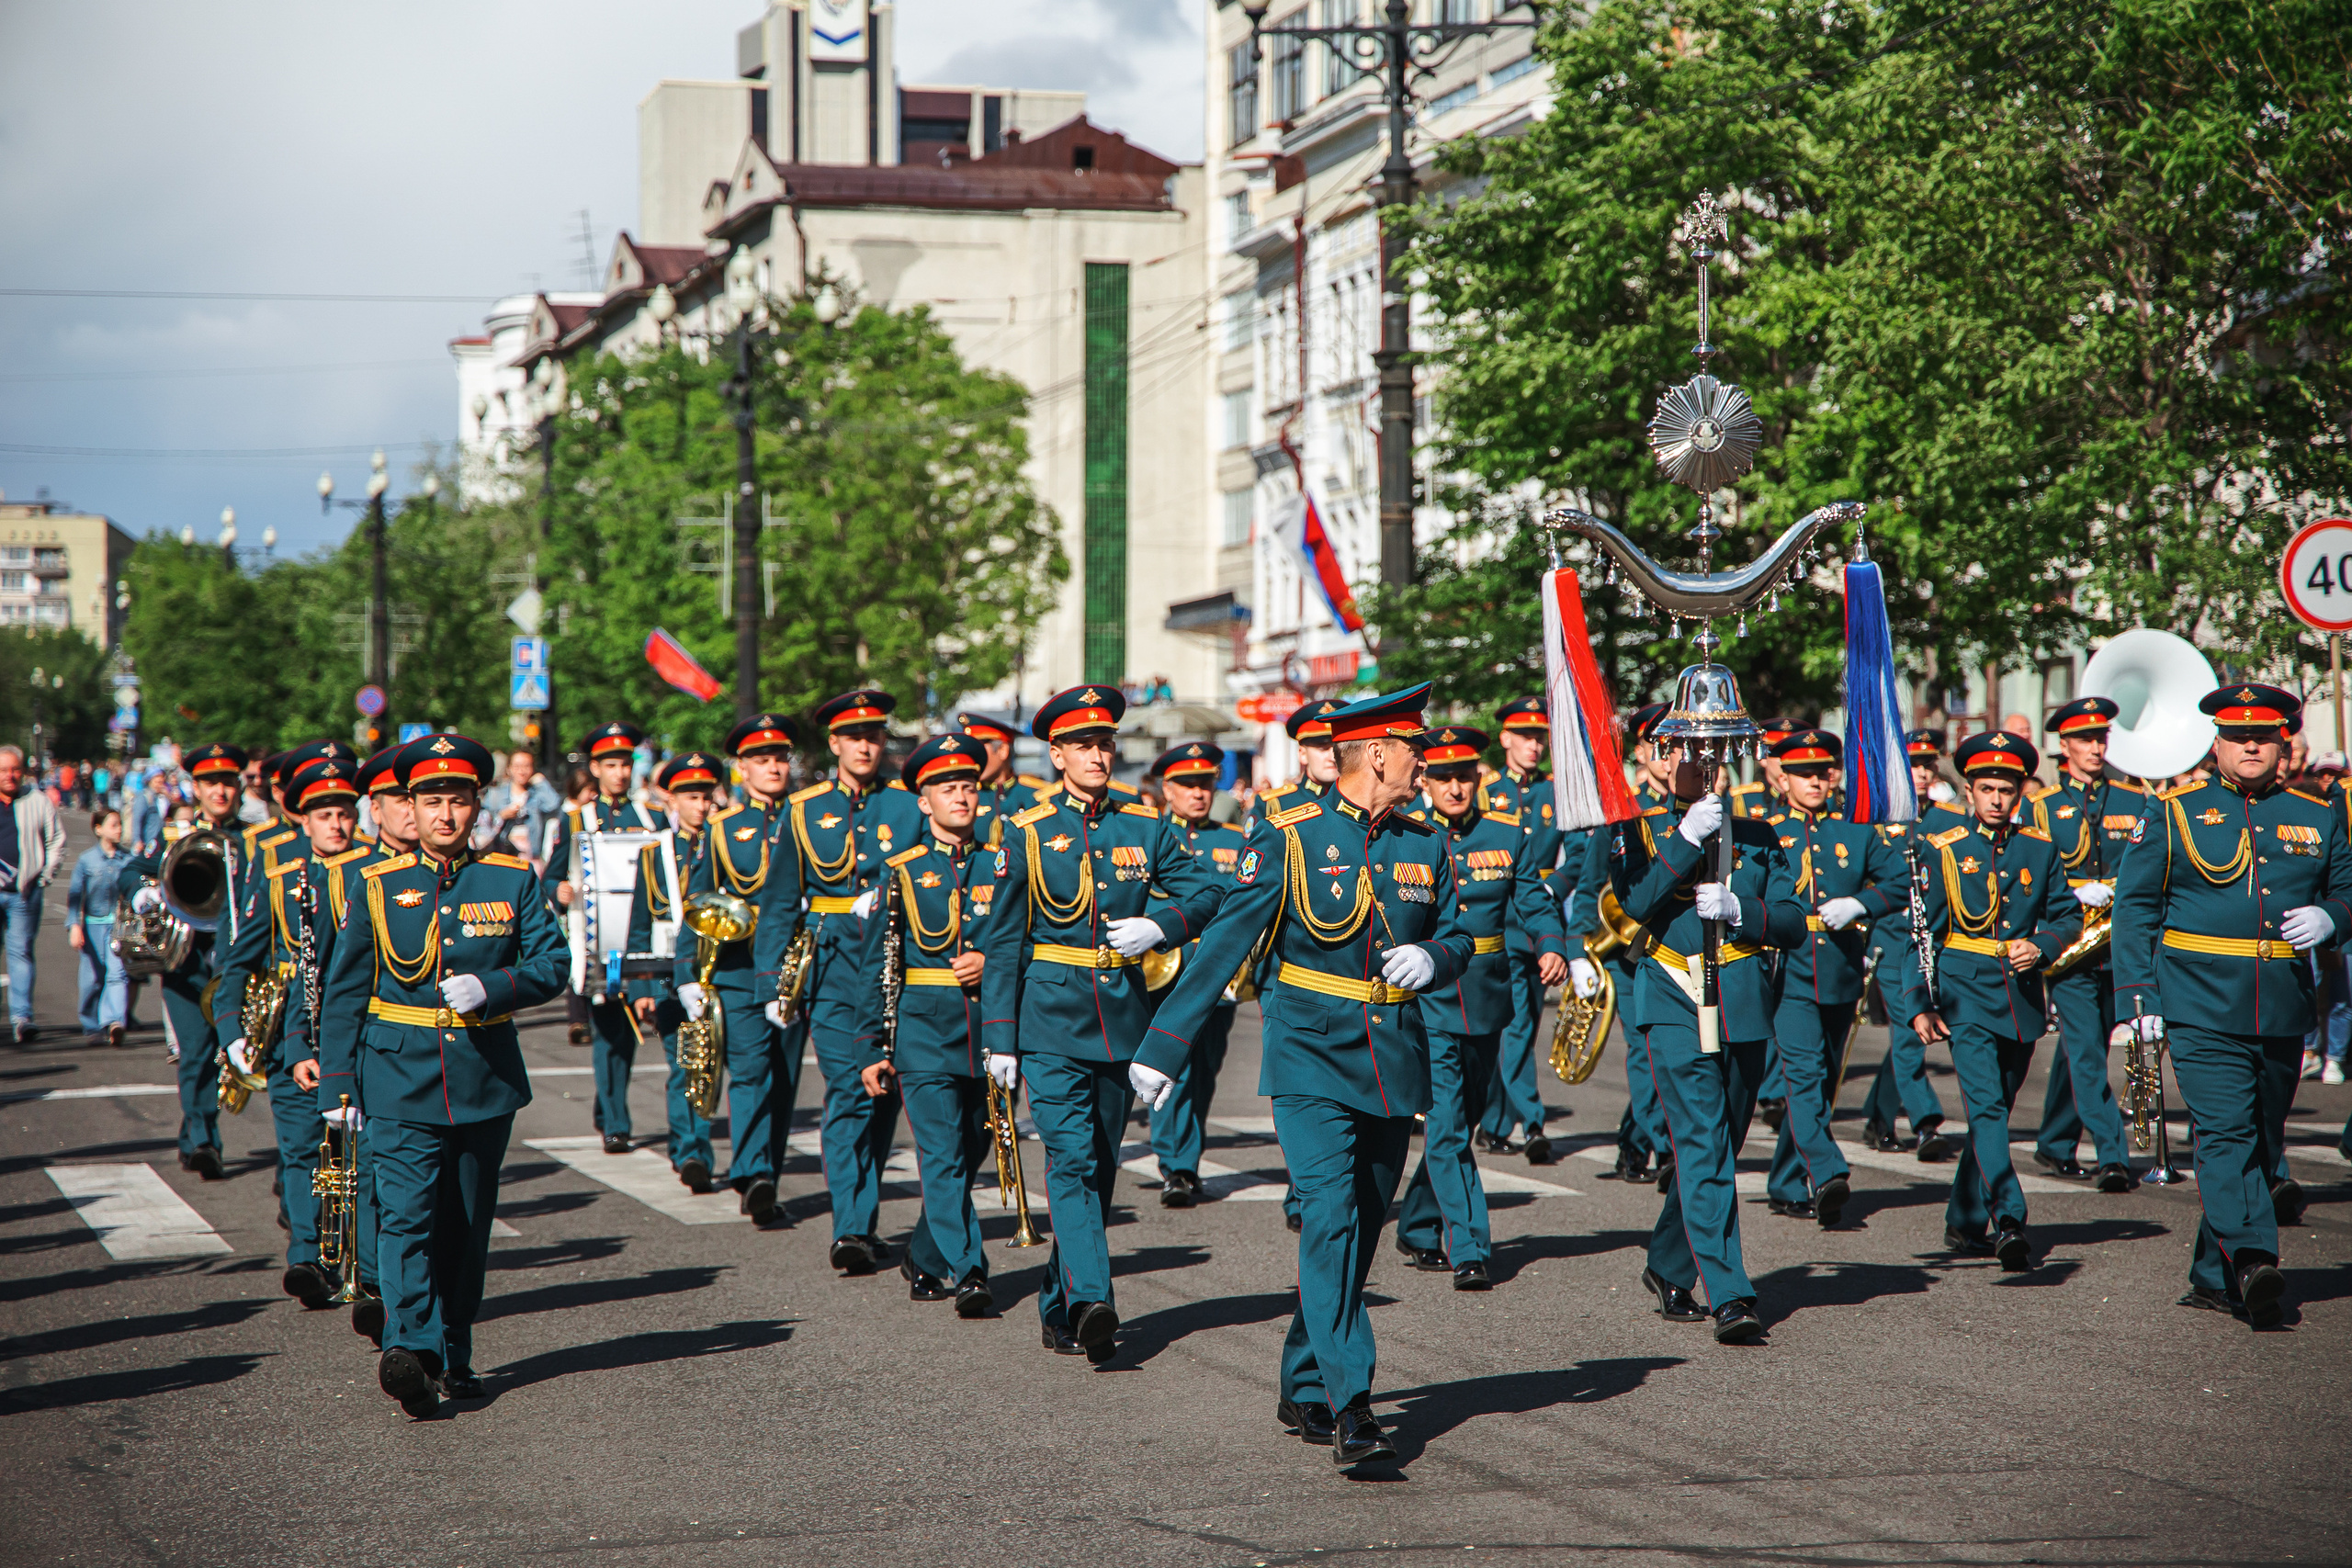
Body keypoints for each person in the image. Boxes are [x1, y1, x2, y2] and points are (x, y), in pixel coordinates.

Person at [1141, 684, 1473, 1467]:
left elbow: (1459, 931)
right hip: (1309, 1056)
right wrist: (1163, 1046)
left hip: (1391, 1059)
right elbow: (1227, 941)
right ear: (1378, 754)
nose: (1425, 765)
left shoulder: (1425, 843)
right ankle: (1352, 1402)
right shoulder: (1290, 834)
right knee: (1329, 1214)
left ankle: (1303, 1379)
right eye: (1416, 751)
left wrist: (1435, 956)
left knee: (1359, 1227)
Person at [316, 734, 567, 1416]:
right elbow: (345, 991)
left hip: (482, 1079)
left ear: (477, 805)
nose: (445, 814)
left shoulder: (511, 880)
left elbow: (553, 963)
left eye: (457, 800)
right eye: (432, 802)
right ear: (411, 808)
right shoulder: (376, 886)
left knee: (464, 1226)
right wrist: (338, 1080)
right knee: (405, 1219)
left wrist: (495, 986)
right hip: (398, 1076)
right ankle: (412, 1349)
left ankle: (454, 1350)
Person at [978, 685, 1223, 1364]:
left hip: (1119, 1016)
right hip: (1048, 1019)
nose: (1097, 754)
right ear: (1056, 755)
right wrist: (999, 1036)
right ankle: (1092, 1301)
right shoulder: (1027, 830)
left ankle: (1059, 1304)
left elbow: (1211, 889)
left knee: (1103, 1165)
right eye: (1082, 744)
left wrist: (1162, 925)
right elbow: (1003, 940)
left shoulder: (1145, 825)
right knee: (1072, 1159)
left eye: (1106, 743)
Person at [2111, 682, 2352, 1328]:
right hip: (2198, 1001)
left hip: (2281, 1004)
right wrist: (2139, 999)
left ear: (2282, 745)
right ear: (2216, 744)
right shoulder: (2174, 811)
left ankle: (2211, 1275)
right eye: (2238, 736)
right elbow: (2135, 908)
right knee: (2225, 1132)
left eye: (2264, 736)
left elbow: (2348, 890)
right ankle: (2251, 1259)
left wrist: (2333, 918)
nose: (2251, 746)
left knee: (2261, 1139)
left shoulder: (2319, 814)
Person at [1611, 728, 1807, 1343]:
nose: (1696, 761)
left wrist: (1741, 911)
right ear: (1658, 757)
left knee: (1721, 1143)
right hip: (1673, 995)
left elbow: (1794, 924)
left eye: (1708, 750)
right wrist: (1686, 838)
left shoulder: (1758, 834)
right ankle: (1730, 1293)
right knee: (1701, 1143)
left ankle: (1668, 1265)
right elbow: (1634, 900)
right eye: (1681, 750)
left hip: (1742, 1001)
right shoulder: (1636, 829)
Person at [1392, 727, 1566, 1289]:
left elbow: (1534, 900)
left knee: (1461, 1123)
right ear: (1425, 782)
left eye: (1464, 777)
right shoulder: (1406, 837)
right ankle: (1469, 1247)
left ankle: (1417, 1225)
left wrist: (1551, 945)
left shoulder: (1507, 834)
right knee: (1446, 1127)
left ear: (1478, 778)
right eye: (1443, 777)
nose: (1454, 788)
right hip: (1430, 1000)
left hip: (1488, 996)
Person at [1900, 732, 2079, 1273]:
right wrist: (1919, 1002)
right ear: (1969, 792)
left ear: (2020, 792)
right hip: (1964, 991)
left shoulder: (2040, 848)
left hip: (2020, 995)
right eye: (1987, 789)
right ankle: (2009, 1218)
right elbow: (1923, 935)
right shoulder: (1945, 848)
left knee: (1995, 1107)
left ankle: (1963, 1218)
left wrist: (2042, 945)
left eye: (2007, 790)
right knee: (1987, 1108)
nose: (1997, 799)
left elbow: (2067, 915)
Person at [852, 735, 1000, 1314]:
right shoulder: (902, 872)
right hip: (924, 1033)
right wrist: (872, 1046)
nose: (960, 797)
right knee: (942, 1154)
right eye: (946, 788)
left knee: (975, 1146)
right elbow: (879, 965)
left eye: (968, 787)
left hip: (990, 1030)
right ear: (924, 802)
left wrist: (990, 962)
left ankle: (923, 1253)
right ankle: (970, 1270)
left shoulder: (1003, 865)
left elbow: (1024, 941)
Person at [216, 756, 368, 1311]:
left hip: (357, 1037)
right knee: (302, 1149)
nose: (336, 825)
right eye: (324, 815)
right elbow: (241, 958)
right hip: (291, 1034)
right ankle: (308, 1258)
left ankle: (355, 1258)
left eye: (344, 813)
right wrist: (232, 1029)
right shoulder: (283, 879)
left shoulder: (377, 872)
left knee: (350, 1156)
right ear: (303, 820)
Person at [788, 689, 928, 1274]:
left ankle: (862, 1219)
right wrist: (776, 984)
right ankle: (850, 1226)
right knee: (847, 1091)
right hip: (835, 966)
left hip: (897, 964)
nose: (865, 746)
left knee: (883, 1095)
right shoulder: (804, 810)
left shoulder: (909, 807)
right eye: (854, 737)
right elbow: (781, 902)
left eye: (874, 736)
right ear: (835, 744)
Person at [1757, 730, 1909, 1226]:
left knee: (1821, 1082)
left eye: (1822, 773)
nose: (1815, 782)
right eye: (1803, 774)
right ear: (1784, 780)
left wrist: (1860, 903)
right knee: (1803, 1076)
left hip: (1841, 969)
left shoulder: (1856, 830)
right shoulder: (1766, 831)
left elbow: (1901, 882)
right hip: (1788, 968)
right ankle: (1826, 1172)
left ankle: (1785, 1182)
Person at [673, 713, 808, 1221]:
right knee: (751, 1072)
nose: (773, 767)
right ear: (741, 768)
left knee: (785, 1078)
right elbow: (699, 901)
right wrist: (685, 972)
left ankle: (766, 1172)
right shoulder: (723, 828)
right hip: (738, 968)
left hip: (796, 967)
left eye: (780, 758)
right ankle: (754, 1174)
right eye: (761, 759)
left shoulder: (809, 816)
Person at [2027, 696, 2148, 1191]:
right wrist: (2073, 890)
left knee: (2083, 1047)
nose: (2096, 748)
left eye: (2101, 738)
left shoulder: (2134, 800)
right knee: (2086, 1052)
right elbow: (2029, 877)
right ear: (2065, 745)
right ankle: (2112, 1154)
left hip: (2116, 947)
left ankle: (2055, 1142)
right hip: (2070, 949)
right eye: (2085, 740)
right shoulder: (2041, 807)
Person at [119, 741, 247, 1177]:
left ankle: (192, 1131)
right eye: (211, 783)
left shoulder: (256, 839)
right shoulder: (176, 834)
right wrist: (143, 892)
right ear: (197, 788)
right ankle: (204, 1140)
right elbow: (132, 870)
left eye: (228, 782)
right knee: (196, 1051)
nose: (220, 791)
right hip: (187, 962)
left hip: (240, 960)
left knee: (234, 1054)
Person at [541, 723, 662, 1151]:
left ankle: (608, 1104)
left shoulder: (652, 817)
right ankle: (616, 1122)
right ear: (595, 769)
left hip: (644, 943)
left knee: (629, 1036)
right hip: (599, 944)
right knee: (610, 1032)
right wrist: (558, 890)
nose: (620, 773)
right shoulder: (577, 819)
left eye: (625, 764)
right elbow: (552, 876)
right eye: (611, 765)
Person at [1142, 741, 1249, 1208]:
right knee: (1172, 1065)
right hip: (1164, 971)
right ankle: (1177, 1165)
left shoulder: (1235, 839)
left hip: (1218, 973)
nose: (1199, 793)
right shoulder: (1150, 835)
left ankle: (1184, 1157)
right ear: (1167, 790)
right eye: (1187, 785)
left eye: (1205, 784)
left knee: (1204, 1071)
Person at [1573, 702, 1675, 1185]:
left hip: (1682, 951)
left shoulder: (1701, 809)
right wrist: (1577, 951)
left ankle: (1634, 1141)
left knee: (1670, 1054)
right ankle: (1667, 1147)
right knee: (1646, 1052)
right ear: (1641, 752)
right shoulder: (1621, 812)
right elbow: (1589, 886)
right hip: (1629, 956)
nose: (1669, 755)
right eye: (1660, 745)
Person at [1860, 730, 1962, 1157]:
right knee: (1908, 1033)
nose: (1921, 773)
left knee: (1911, 1036)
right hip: (1893, 941)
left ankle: (1879, 1115)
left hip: (1937, 942)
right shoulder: (1874, 822)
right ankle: (1926, 1123)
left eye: (1927, 765)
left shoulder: (1951, 821)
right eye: (1912, 765)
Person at [1475, 696, 1568, 1164]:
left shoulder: (1554, 792)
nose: (1535, 746)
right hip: (1500, 926)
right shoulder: (1485, 792)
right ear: (1505, 739)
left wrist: (1553, 888)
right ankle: (1532, 1122)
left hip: (1540, 922)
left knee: (1521, 1027)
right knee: (1514, 1028)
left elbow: (1579, 857)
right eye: (1526, 737)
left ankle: (1493, 1123)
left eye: (1540, 738)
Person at [628, 751, 725, 1192]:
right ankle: (690, 1151)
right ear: (672, 799)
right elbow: (639, 925)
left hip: (715, 970)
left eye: (706, 796)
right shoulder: (656, 853)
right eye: (691, 796)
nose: (701, 806)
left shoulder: (724, 844)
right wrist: (641, 987)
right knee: (682, 1061)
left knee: (710, 1061)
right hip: (667, 973)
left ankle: (694, 1146)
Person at [0, 743, 66, 1043]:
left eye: (15, 769)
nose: (9, 775)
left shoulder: (37, 801)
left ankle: (22, 1018)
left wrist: (44, 876)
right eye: (3, 770)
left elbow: (56, 841)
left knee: (22, 954)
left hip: (23, 894)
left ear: (23, 771)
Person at [68, 807, 135, 1046]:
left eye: (120, 824)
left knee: (117, 975)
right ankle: (91, 1025)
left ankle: (115, 1021)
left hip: (118, 927)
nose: (119, 829)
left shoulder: (128, 859)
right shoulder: (87, 860)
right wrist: (74, 926)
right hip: (92, 926)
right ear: (98, 829)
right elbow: (75, 896)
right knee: (92, 979)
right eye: (113, 825)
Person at [957, 712, 1047, 846]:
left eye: (978, 750)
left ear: (1002, 750)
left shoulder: (1040, 794)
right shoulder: (964, 796)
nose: (972, 758)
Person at [475, 749, 560, 862]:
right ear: (509, 769)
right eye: (517, 766)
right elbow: (482, 829)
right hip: (502, 857)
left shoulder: (536, 795)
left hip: (530, 857)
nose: (522, 771)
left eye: (527, 766)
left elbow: (553, 805)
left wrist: (541, 782)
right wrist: (502, 816)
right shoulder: (495, 795)